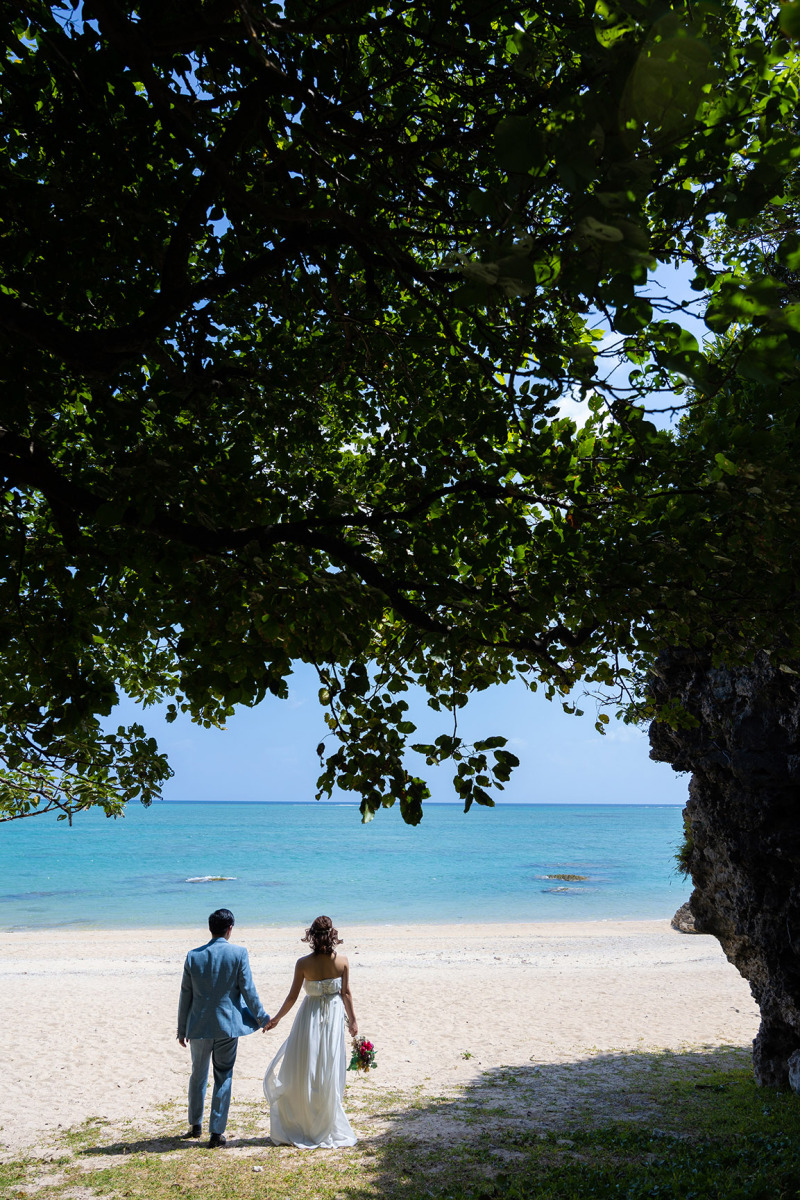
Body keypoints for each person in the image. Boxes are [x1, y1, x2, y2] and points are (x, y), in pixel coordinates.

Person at [177, 908, 270, 1148]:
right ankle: (216, 1133)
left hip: (197, 1026)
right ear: (230, 929)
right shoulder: (238, 953)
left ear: (211, 929)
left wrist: (181, 1028)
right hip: (227, 1026)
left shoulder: (193, 956)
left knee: (198, 1074)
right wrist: (262, 1018)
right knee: (223, 1075)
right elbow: (248, 990)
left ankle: (195, 1124)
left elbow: (185, 995)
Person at [263, 915, 358, 1149]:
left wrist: (277, 1018)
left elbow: (293, 997)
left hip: (310, 1017)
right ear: (333, 934)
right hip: (334, 1017)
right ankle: (323, 1116)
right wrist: (353, 1022)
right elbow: (345, 994)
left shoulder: (303, 963)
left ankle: (307, 1118)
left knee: (308, 1066)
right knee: (328, 1065)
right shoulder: (342, 961)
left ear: (312, 936)